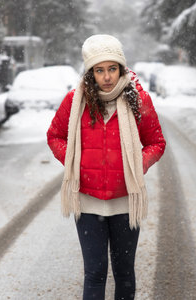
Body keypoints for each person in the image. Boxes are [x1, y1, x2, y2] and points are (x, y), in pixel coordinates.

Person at [47, 34, 166, 300]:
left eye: (112, 68)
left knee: (124, 273)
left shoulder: (138, 101)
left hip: (125, 202)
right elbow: (55, 136)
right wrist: (75, 161)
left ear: (122, 68)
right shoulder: (75, 101)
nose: (107, 77)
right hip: (87, 203)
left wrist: (138, 164)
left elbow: (156, 142)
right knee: (95, 273)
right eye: (99, 70)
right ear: (91, 73)